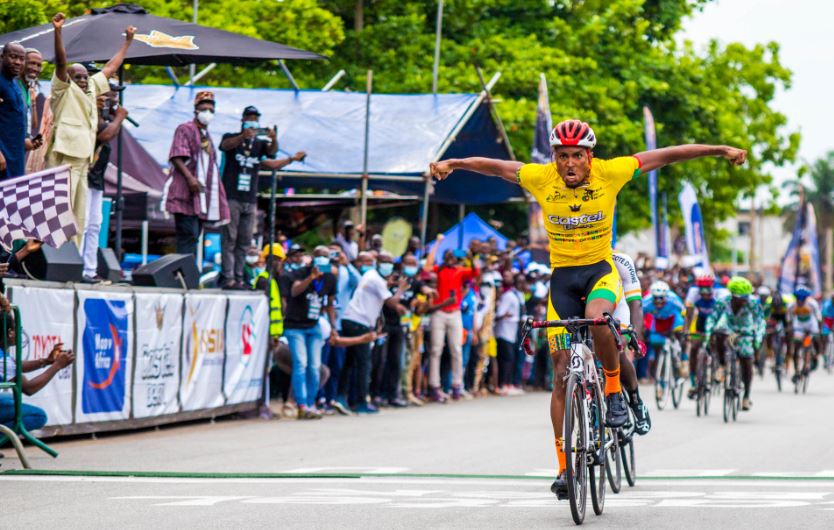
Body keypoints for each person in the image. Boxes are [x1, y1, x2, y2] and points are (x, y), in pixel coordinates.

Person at [429, 118, 746, 499]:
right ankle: (564, 469)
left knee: (599, 320)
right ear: (554, 157)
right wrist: (455, 162)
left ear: (590, 156)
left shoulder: (611, 172)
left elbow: (667, 155)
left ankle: (614, 393)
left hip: (600, 273)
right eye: (562, 156)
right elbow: (496, 167)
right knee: (561, 374)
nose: (570, 163)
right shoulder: (541, 177)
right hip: (562, 280)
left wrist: (719, 150)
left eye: (577, 155)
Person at [46, 13, 135, 245]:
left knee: (79, 217)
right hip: (62, 159)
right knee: (58, 213)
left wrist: (127, 43)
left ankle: (72, 261)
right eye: (79, 77)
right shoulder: (62, 91)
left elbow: (110, 67)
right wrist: (58, 32)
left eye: (85, 77)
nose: (84, 80)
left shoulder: (91, 89)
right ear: (69, 78)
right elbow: (61, 62)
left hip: (82, 162)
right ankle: (52, 257)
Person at [337, 252, 407, 413]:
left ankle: (342, 397)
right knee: (364, 363)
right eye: (384, 262)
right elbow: (391, 303)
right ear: (377, 262)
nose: (387, 265)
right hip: (359, 323)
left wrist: (388, 285)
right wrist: (400, 289)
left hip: (351, 319)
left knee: (350, 362)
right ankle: (360, 402)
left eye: (390, 262)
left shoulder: (371, 275)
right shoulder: (375, 278)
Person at [164, 90, 230, 257]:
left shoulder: (206, 135)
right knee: (187, 235)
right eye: (204, 108)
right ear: (196, 110)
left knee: (194, 236)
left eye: (211, 109)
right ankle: (182, 276)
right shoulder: (185, 129)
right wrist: (190, 179)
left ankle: (188, 275)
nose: (207, 113)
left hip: (200, 198)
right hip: (184, 193)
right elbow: (176, 157)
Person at [0, 297, 75, 433]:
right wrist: (57, 366)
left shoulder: (3, 357)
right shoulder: (2, 361)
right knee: (38, 416)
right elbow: (29, 388)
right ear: (10, 334)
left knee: (9, 398)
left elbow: (15, 365)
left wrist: (46, 361)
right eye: (17, 329)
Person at [280, 246, 337, 419]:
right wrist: (310, 277)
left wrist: (333, 328)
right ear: (312, 258)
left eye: (325, 257)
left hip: (314, 326)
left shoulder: (329, 277)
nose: (322, 260)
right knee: (301, 364)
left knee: (314, 367)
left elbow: (330, 304)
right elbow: (294, 291)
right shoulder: (300, 272)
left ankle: (310, 404)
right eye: (318, 256)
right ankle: (301, 404)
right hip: (295, 326)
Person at [79, 84, 129, 282]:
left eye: (116, 95)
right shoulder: (92, 112)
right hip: (84, 175)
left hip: (97, 178)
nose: (114, 98)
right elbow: (104, 135)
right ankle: (79, 268)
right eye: (111, 93)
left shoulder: (106, 116)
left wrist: (115, 117)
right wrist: (119, 118)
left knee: (95, 225)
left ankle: (89, 270)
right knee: (83, 224)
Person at [423, 242, 480, 402]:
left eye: (452, 255)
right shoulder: (439, 269)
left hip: (455, 313)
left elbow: (475, 272)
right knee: (436, 350)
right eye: (447, 255)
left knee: (456, 349)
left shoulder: (460, 270)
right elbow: (427, 267)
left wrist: (470, 257)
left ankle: (457, 385)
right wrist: (438, 243)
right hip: (439, 312)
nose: (450, 258)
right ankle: (435, 386)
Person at [705, 277, 766, 411]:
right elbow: (712, 318)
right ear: (732, 295)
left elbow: (760, 321)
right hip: (729, 326)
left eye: (745, 298)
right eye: (739, 298)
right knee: (719, 333)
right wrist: (709, 333)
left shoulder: (753, 302)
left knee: (746, 358)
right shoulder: (723, 301)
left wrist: (758, 338)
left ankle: (746, 396)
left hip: (745, 329)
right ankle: (721, 366)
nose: (743, 301)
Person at [611, 250, 651, 435]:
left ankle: (635, 401)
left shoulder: (621, 260)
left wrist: (636, 333)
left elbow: (635, 303)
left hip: (617, 310)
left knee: (615, 349)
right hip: (584, 310)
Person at [0, 41, 39, 180]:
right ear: (2, 57)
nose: (18, 62)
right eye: (13, 57)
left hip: (16, 156)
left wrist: (25, 142)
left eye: (21, 59)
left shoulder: (15, 82)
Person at [682, 273, 721, 398]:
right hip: (701, 321)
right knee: (694, 348)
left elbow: (721, 315)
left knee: (715, 344)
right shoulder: (693, 292)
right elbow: (689, 314)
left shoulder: (718, 293)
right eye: (702, 288)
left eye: (707, 288)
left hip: (715, 321)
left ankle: (717, 369)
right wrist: (686, 329)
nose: (704, 292)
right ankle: (694, 382)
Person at [495, 271, 525, 395]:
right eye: (519, 282)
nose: (522, 284)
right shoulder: (508, 296)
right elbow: (499, 314)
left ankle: (508, 384)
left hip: (513, 332)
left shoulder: (520, 295)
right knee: (506, 359)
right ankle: (503, 385)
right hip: (504, 332)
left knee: (511, 359)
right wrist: (505, 315)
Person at [22, 48, 50, 174]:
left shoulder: (26, 89)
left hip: (19, 149)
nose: (35, 68)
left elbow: (32, 125)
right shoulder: (11, 85)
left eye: (39, 65)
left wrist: (29, 139)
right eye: (32, 63)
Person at [787, 285, 822, 381]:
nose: (800, 301)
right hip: (799, 325)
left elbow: (818, 317)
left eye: (802, 299)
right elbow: (789, 320)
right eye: (798, 299)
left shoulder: (812, 304)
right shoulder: (791, 306)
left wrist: (818, 330)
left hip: (811, 324)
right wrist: (790, 330)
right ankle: (797, 371)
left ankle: (815, 356)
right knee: (797, 345)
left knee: (813, 340)